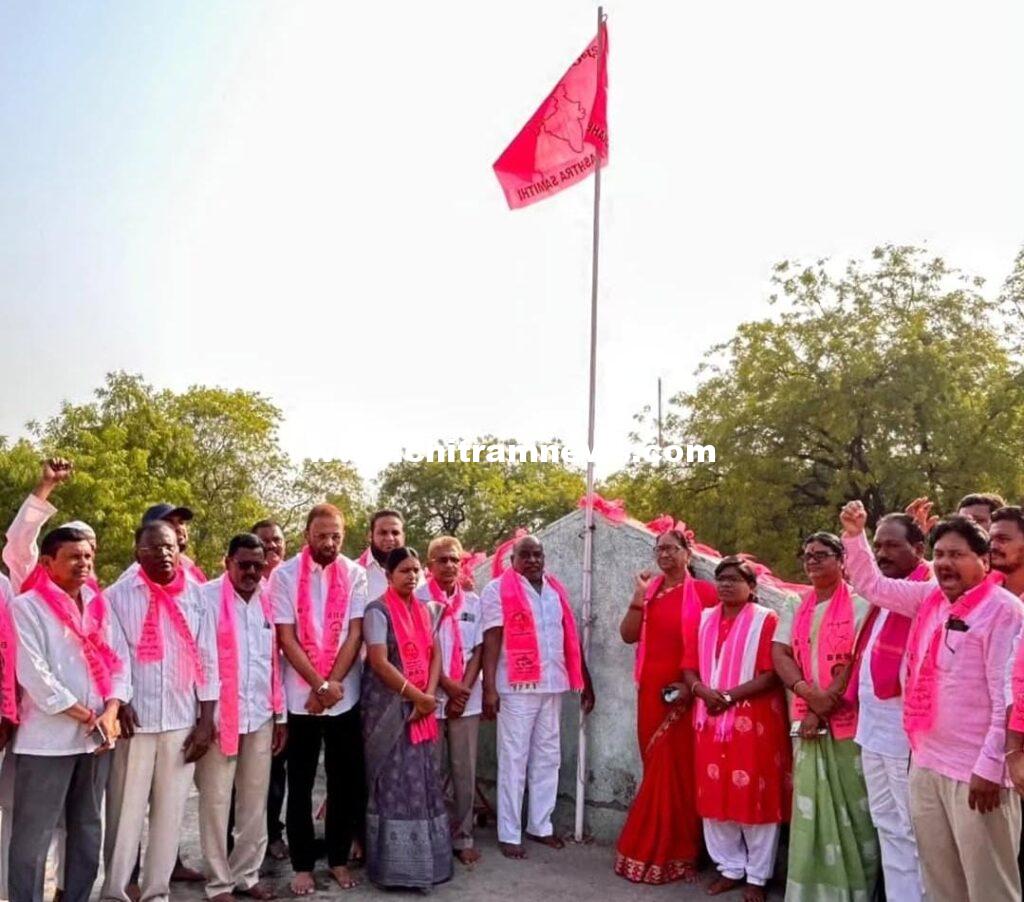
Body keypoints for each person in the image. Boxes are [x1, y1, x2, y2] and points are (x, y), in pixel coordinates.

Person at [842, 502, 1023, 902]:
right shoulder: (930, 599)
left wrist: (991, 768)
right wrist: (855, 536)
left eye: (957, 555)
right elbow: (873, 586)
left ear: (983, 559)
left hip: (977, 774)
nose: (945, 564)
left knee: (989, 886)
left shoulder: (1004, 612)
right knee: (941, 881)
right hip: (926, 763)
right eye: (939, 555)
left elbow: (1006, 699)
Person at [8, 526, 128, 902]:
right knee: (34, 836)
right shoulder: (26, 606)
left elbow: (120, 661)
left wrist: (110, 711)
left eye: (88, 557)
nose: (84, 564)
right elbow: (35, 677)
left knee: (88, 828)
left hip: (96, 740)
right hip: (46, 742)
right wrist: (86, 716)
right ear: (47, 563)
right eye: (74, 557)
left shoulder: (97, 602)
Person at [100, 521, 219, 902]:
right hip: (136, 724)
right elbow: (110, 655)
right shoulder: (117, 596)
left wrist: (205, 722)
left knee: (170, 817)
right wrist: (121, 701)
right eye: (154, 548)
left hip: (182, 723)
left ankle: (156, 892)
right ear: (138, 552)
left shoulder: (198, 595)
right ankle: (116, 892)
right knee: (124, 816)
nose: (165, 554)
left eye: (170, 547)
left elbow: (209, 659)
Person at [771, 531, 879, 901]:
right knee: (811, 809)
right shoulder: (793, 605)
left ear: (842, 559)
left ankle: (857, 890)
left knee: (855, 808)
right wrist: (808, 696)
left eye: (822, 554)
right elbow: (781, 654)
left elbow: (857, 656)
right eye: (807, 555)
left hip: (849, 720)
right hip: (806, 714)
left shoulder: (863, 603)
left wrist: (826, 702)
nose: (812, 561)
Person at [270, 504, 367, 895]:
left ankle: (339, 860)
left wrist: (332, 684)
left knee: (343, 783)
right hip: (300, 697)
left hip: (344, 694)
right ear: (307, 534)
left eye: (336, 536)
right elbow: (286, 636)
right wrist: (318, 684)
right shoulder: (285, 574)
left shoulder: (355, 574)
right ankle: (303, 864)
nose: (329, 542)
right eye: (322, 535)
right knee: (302, 781)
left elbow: (355, 632)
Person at [681, 556, 790, 902]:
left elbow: (771, 674)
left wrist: (727, 696)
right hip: (709, 718)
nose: (726, 584)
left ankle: (757, 876)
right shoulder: (703, 620)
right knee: (714, 794)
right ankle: (729, 868)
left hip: (752, 720)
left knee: (754, 795)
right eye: (721, 578)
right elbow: (688, 666)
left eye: (734, 579)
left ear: (752, 586)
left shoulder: (765, 620)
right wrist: (702, 692)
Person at [481, 535, 595, 859]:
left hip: (553, 684)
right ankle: (509, 832)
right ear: (512, 559)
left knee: (548, 757)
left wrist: (584, 679)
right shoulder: (496, 590)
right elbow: (491, 641)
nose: (532, 560)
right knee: (514, 760)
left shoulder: (555, 589)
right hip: (516, 688)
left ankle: (540, 825)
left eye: (537, 555)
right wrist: (489, 688)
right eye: (525, 555)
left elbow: (569, 637)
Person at [613, 527, 716, 884]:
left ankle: (677, 851)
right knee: (655, 767)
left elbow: (719, 640)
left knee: (677, 773)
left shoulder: (704, 593)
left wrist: (694, 684)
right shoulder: (652, 592)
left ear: (689, 553)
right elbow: (628, 635)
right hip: (650, 694)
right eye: (660, 549)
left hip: (684, 693)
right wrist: (638, 598)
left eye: (672, 549)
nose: (665, 555)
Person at [196, 534, 286, 902]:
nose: (251, 572)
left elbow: (275, 662)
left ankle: (246, 875)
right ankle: (218, 883)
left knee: (254, 801)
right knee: (216, 802)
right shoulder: (205, 599)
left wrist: (280, 717)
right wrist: (203, 719)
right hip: (219, 718)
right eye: (243, 564)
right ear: (227, 562)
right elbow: (199, 661)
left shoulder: (270, 600)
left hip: (261, 716)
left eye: (258, 565)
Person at [844, 512, 929, 901]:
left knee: (912, 828)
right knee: (886, 823)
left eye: (893, 545)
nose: (883, 553)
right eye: (878, 545)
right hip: (873, 726)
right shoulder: (893, 591)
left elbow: (868, 583)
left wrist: (852, 535)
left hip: (903, 730)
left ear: (919, 549)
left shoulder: (924, 591)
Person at [362, 547, 453, 888]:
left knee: (422, 778)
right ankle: (393, 869)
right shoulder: (377, 611)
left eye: (416, 570)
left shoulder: (426, 610)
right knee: (393, 780)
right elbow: (379, 662)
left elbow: (435, 654)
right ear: (388, 575)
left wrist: (427, 697)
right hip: (388, 710)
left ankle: (428, 864)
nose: (412, 576)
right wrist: (416, 697)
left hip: (419, 708)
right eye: (404, 571)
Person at [414, 536, 483, 865]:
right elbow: (419, 650)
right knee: (430, 768)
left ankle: (463, 835)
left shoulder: (473, 602)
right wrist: (446, 686)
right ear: (429, 566)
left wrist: (462, 691)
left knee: (464, 770)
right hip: (429, 697)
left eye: (455, 560)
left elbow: (479, 650)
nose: (449, 566)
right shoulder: (417, 600)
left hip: (465, 699)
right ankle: (431, 835)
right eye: (442, 560)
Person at [252, 519, 289, 863]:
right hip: (251, 695)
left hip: (288, 690)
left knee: (278, 770)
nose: (272, 548)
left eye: (277, 541)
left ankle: (274, 832)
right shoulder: (244, 585)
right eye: (265, 542)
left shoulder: (290, 583)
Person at [357, 510, 409, 601]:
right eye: (383, 533)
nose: (389, 538)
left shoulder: (417, 574)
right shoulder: (354, 572)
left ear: (403, 537)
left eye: (395, 533)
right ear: (370, 536)